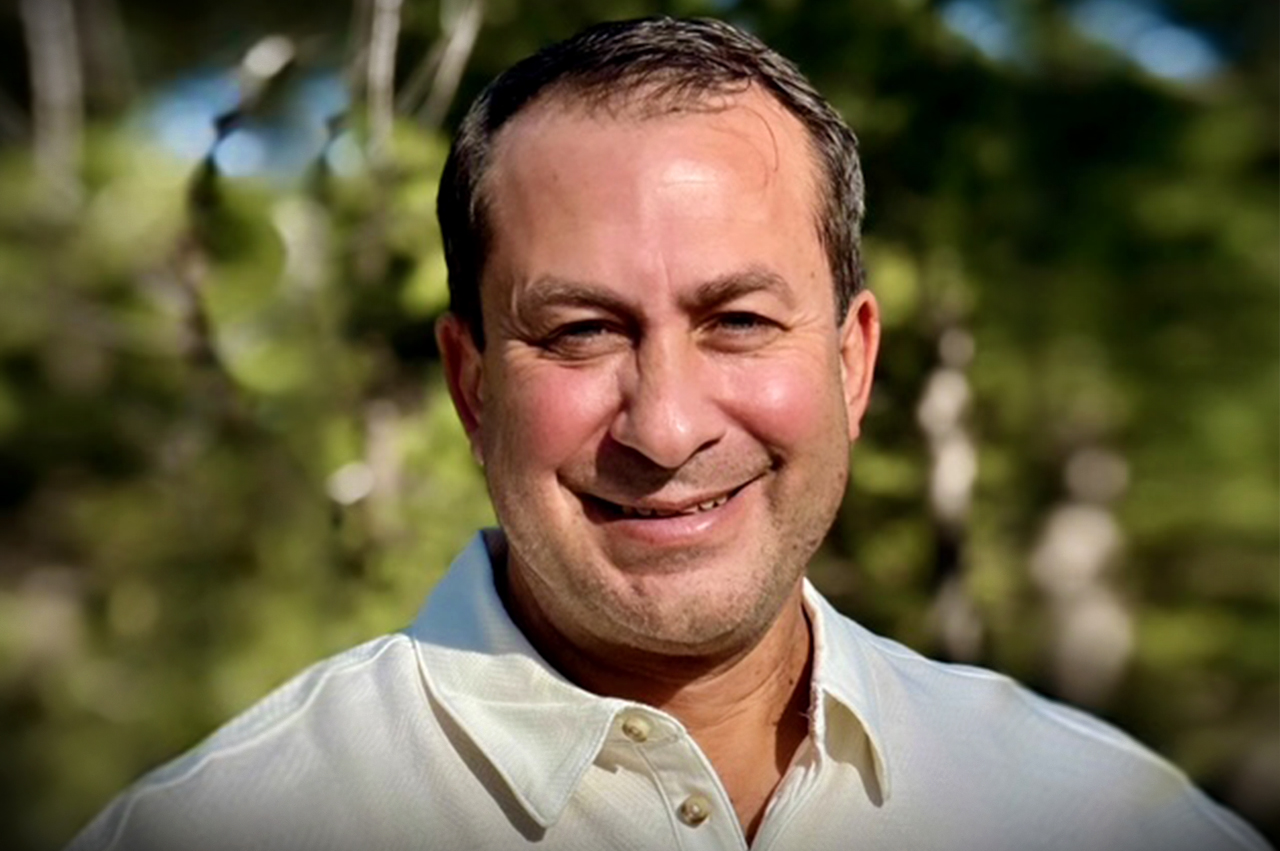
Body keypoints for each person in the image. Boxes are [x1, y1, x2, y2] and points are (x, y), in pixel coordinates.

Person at [69, 16, 1269, 851]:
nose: (667, 423)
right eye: (582, 331)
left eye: (737, 320)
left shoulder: (1103, 816)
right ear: (472, 388)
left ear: (850, 362)